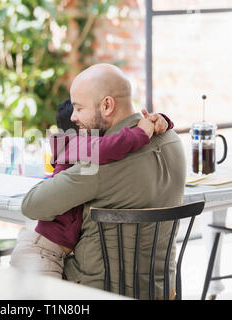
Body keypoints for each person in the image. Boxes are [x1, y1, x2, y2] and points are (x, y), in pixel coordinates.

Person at [21, 63, 186, 299]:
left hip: (100, 290)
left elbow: (32, 205)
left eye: (78, 108)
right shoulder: (173, 141)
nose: (73, 117)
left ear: (107, 105)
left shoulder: (99, 163)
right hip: (161, 290)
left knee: (27, 250)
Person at [10, 98, 174, 279]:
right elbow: (110, 147)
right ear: (80, 127)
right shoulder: (75, 145)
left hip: (52, 252)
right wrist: (141, 131)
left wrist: (160, 120)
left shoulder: (78, 145)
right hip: (41, 253)